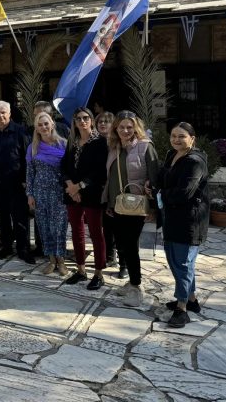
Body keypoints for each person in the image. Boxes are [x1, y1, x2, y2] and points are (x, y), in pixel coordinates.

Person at [104, 111, 159, 307]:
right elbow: (110, 179)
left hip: (136, 206)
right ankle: (132, 282)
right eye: (121, 127)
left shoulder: (146, 147)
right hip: (118, 205)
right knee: (122, 244)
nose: (126, 131)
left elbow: (154, 177)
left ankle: (136, 286)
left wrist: (152, 207)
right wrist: (110, 204)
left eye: (129, 127)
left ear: (136, 128)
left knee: (131, 245)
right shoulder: (114, 148)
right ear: (116, 129)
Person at [158, 122, 209, 328]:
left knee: (183, 264)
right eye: (174, 136)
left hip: (189, 221)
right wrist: (154, 185)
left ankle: (181, 308)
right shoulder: (173, 155)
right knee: (175, 260)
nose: (177, 140)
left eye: (182, 136)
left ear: (192, 139)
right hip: (171, 217)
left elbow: (184, 192)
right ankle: (192, 300)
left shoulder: (195, 162)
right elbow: (163, 177)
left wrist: (161, 194)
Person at [61, 107, 109, 289]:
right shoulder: (72, 142)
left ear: (91, 120)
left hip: (91, 194)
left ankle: (98, 273)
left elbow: (99, 171)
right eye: (78, 118)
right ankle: (81, 270)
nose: (82, 121)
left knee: (96, 234)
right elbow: (63, 165)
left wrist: (79, 187)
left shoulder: (100, 142)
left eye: (85, 117)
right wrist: (70, 186)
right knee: (77, 232)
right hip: (71, 194)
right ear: (74, 122)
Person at [0, 101, 33, 263]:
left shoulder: (20, 132)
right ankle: (7, 246)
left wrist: (26, 181)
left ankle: (23, 248)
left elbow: (28, 159)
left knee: (20, 218)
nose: (0, 116)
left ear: (9, 113)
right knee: (2, 217)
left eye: (3, 112)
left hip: (17, 184)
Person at [26, 112, 68, 275]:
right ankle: (51, 260)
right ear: (36, 128)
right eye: (40, 125)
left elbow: (69, 170)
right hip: (39, 193)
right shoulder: (33, 147)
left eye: (46, 123)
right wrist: (30, 194)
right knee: (44, 228)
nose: (43, 127)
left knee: (59, 227)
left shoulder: (64, 145)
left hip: (59, 193)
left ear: (52, 124)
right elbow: (30, 173)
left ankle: (61, 261)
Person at [95, 111, 122, 274]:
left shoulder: (117, 144)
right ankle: (109, 255)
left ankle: (120, 258)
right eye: (100, 122)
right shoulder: (94, 142)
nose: (103, 124)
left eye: (107, 122)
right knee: (105, 225)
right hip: (99, 189)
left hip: (114, 189)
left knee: (116, 225)